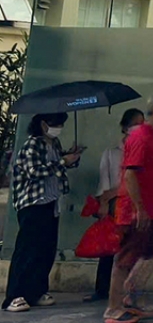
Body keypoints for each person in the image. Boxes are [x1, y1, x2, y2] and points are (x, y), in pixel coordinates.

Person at [107, 91, 153, 323]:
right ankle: (113, 308)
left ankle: (132, 294)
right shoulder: (140, 136)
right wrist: (139, 208)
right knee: (125, 258)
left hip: (150, 208)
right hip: (135, 210)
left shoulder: (150, 136)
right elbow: (130, 174)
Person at [4, 113, 82, 312]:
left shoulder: (54, 144)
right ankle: (15, 295)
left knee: (46, 250)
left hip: (51, 202)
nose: (59, 127)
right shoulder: (32, 145)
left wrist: (71, 157)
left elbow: (58, 165)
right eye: (56, 124)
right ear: (43, 124)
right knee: (28, 251)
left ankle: (36, 291)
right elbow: (35, 171)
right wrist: (63, 161)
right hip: (33, 203)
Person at [88, 110, 144, 304]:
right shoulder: (111, 153)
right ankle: (102, 289)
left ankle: (127, 292)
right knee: (109, 248)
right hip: (115, 206)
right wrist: (104, 202)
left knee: (131, 249)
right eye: (136, 124)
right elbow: (104, 182)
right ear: (125, 127)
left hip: (134, 205)